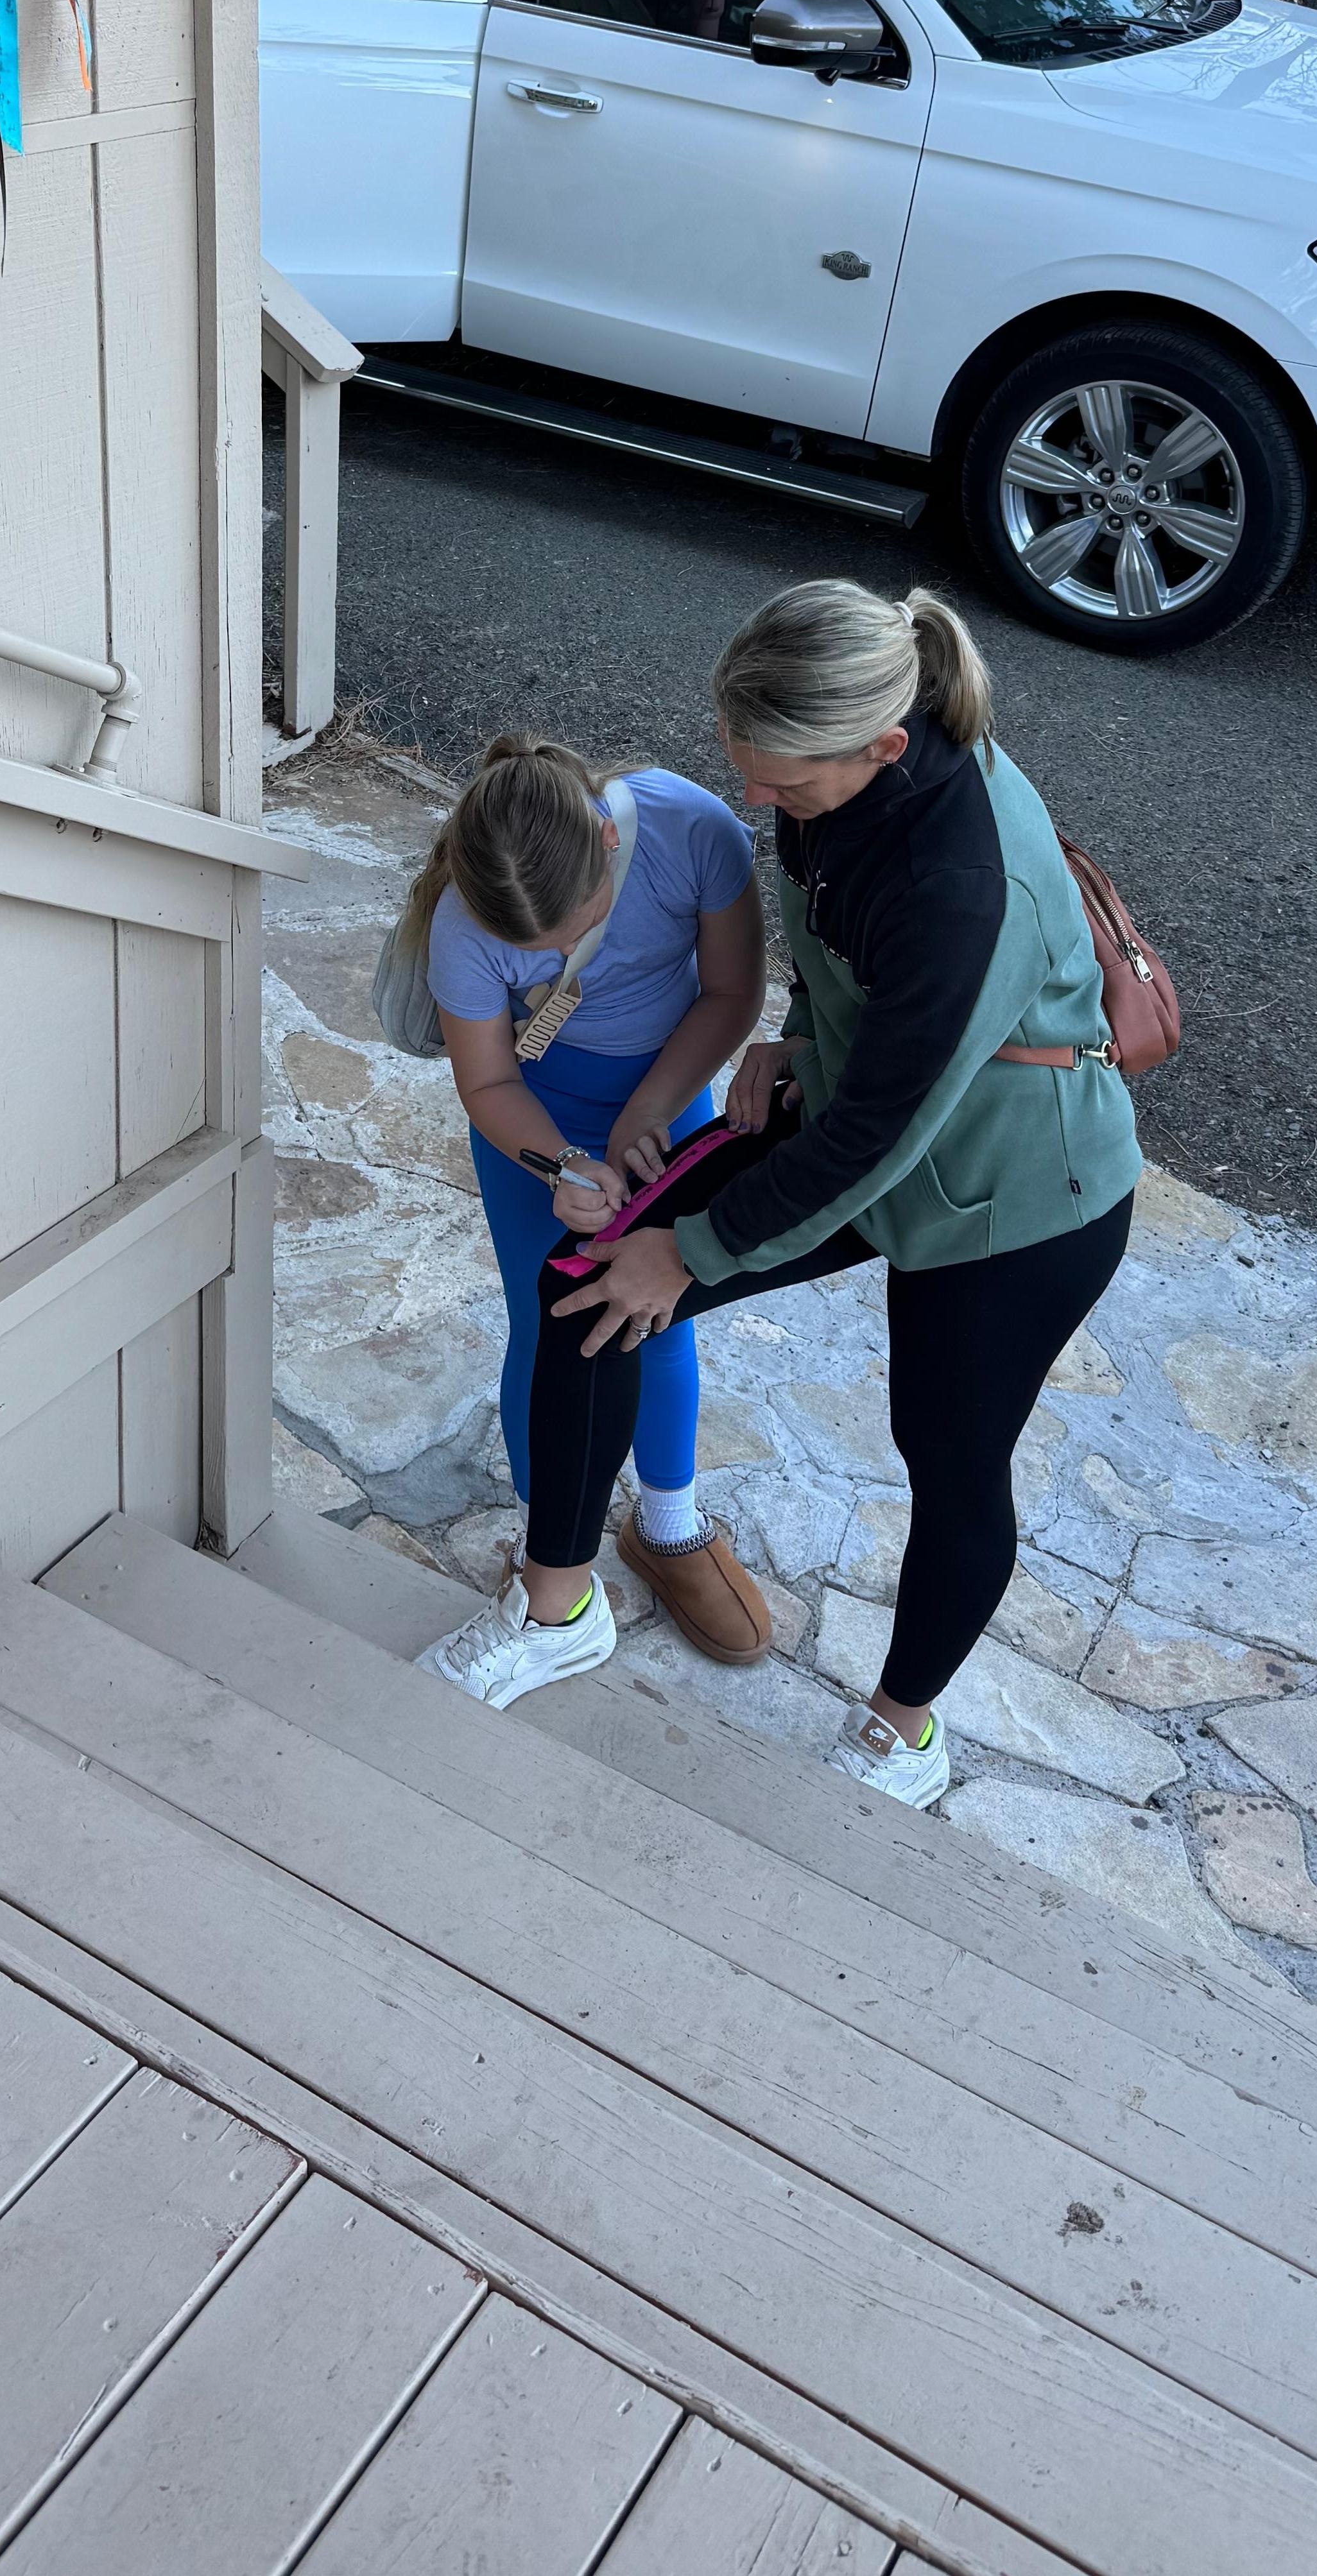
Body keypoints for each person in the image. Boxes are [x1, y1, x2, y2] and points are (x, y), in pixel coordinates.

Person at [467, 579, 1139, 1808]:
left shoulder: (962, 883)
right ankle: (557, 1607)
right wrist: (793, 1028)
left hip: (1014, 1196)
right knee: (588, 1286)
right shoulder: (833, 771)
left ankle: (904, 1734)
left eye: (783, 784)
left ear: (884, 747)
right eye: (746, 770)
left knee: (949, 1455)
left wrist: (698, 1247)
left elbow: (884, 1136)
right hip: (861, 1103)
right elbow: (851, 976)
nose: (758, 804)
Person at [402, 735, 775, 1689]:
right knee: (551, 1319)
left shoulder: (692, 829)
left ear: (610, 839)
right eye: (538, 953)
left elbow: (734, 991)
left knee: (658, 1308)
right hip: (536, 1109)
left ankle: (670, 1525)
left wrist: (654, 1108)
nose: (566, 955)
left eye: (579, 928)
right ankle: (549, 1547)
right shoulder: (462, 918)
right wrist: (561, 1161)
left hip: (673, 1079)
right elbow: (485, 1080)